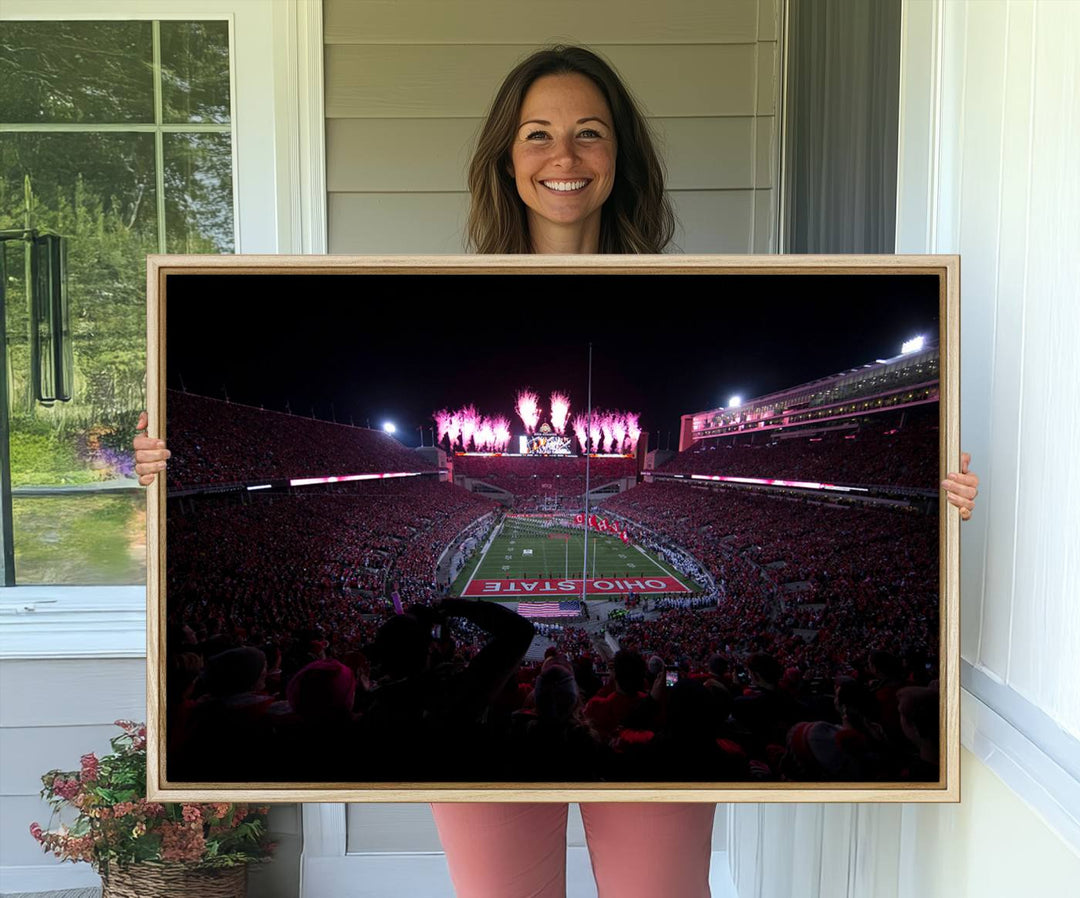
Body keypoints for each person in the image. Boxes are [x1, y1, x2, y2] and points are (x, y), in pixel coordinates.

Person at [135, 44, 980, 898]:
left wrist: (935, 505)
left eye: (590, 133)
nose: (564, 156)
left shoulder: (685, 287)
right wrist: (164, 468)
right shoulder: (441, 285)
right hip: (491, 729)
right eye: (538, 134)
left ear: (622, 156)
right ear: (506, 156)